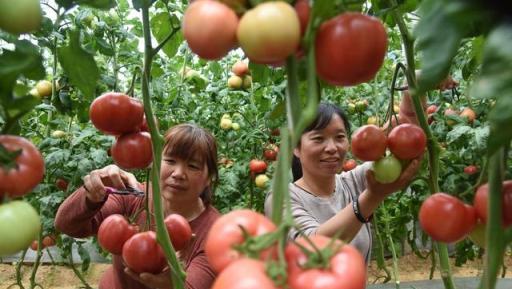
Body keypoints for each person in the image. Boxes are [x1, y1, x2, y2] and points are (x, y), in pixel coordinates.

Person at [55, 123, 220, 289]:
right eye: (170, 160)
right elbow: (67, 225)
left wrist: (174, 284)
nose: (178, 174)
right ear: (155, 163)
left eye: (193, 166)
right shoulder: (133, 196)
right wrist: (91, 196)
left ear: (209, 178)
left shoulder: (215, 234)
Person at [264, 103, 421, 263]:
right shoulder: (281, 199)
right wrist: (371, 198)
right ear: (296, 148)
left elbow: (411, 141)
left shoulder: (352, 182)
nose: (332, 148)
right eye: (318, 139)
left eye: (339, 137)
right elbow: (314, 248)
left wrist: (415, 83)